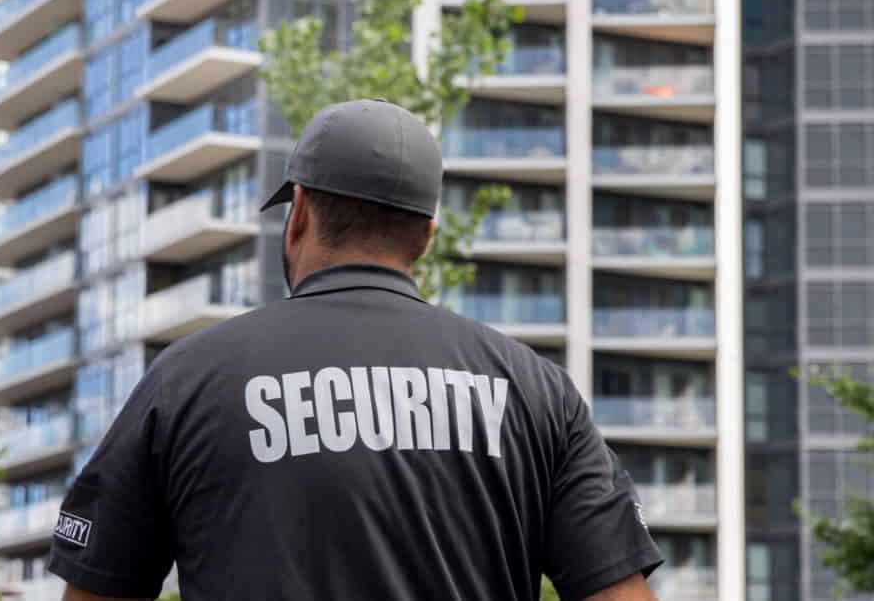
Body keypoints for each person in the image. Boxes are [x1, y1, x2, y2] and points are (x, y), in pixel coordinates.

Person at [48, 99, 663, 601]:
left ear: (300, 213)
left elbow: (95, 592)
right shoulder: (535, 390)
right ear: (425, 236)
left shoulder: (186, 380)